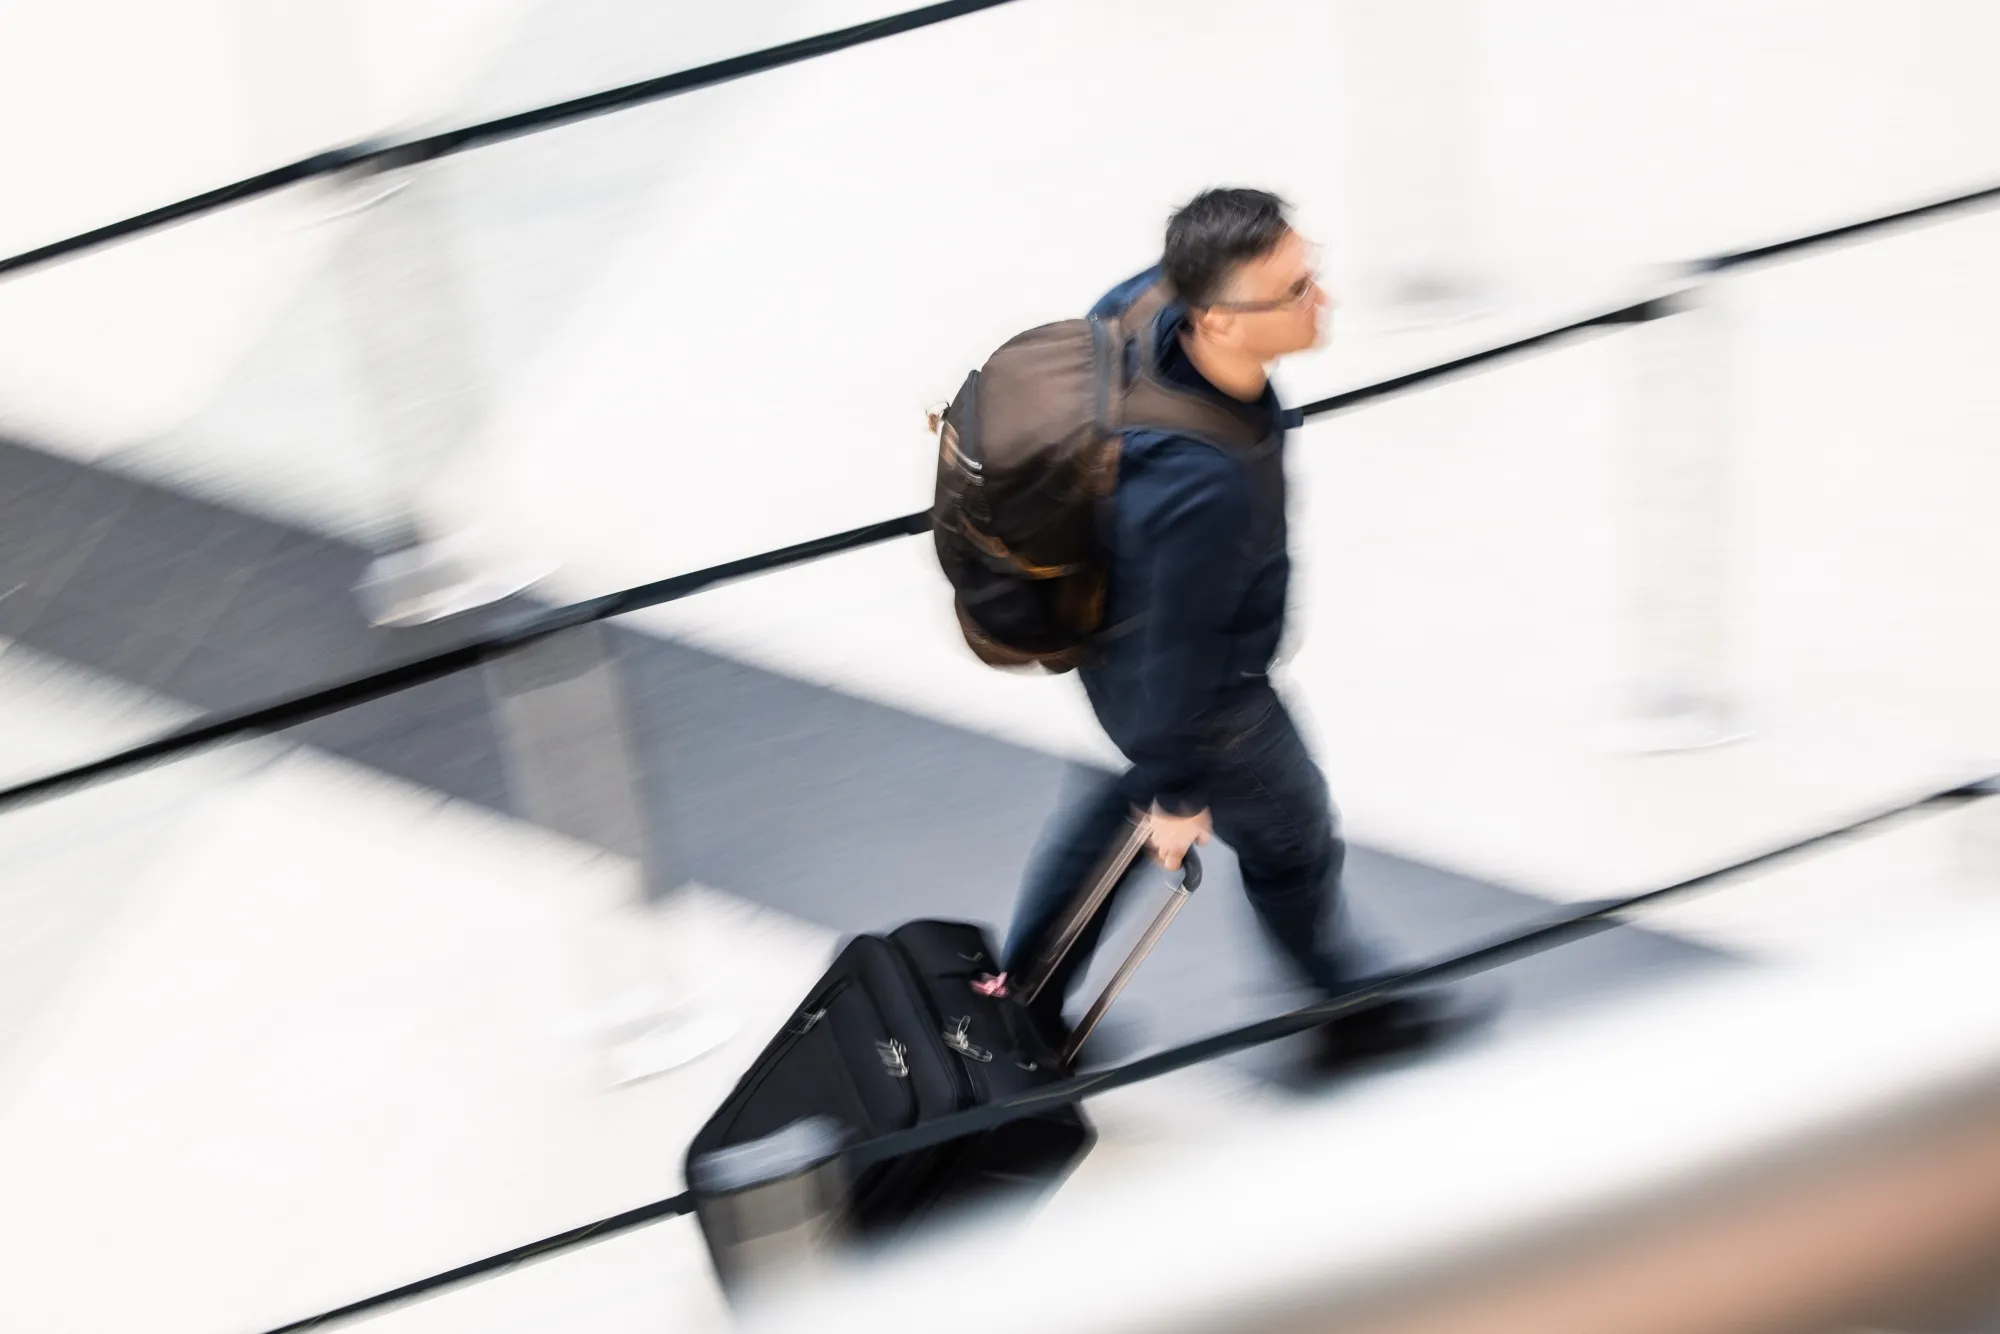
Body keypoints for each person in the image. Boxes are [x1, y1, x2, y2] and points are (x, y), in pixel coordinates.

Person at [998, 187, 1490, 1071]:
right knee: (1292, 834)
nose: (1323, 299)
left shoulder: (1145, 302)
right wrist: (1179, 791)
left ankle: (1021, 1004)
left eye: (1313, 273)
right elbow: (1181, 651)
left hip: (1112, 640)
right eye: (1297, 289)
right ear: (1220, 320)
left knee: (1122, 791)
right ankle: (1344, 1009)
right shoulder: (1205, 488)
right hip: (1206, 697)